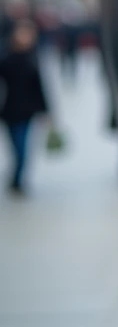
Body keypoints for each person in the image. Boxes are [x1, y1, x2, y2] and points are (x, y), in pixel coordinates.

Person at [0, 19, 50, 196]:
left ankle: (17, 180)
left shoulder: (33, 58)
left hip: (27, 111)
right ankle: (15, 177)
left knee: (23, 149)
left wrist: (46, 111)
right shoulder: (6, 58)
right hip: (9, 110)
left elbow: (40, 87)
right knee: (15, 147)